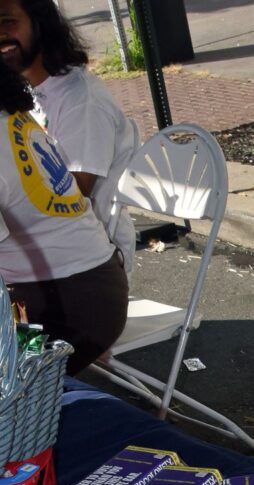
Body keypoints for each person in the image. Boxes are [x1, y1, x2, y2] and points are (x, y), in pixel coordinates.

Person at [0, 59, 128, 375]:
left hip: (58, 314)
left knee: (13, 372)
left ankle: (33, 404)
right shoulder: (10, 115)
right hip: (95, 292)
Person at [1, 0, 139, 273]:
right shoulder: (27, 92)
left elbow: (71, 195)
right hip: (43, 254)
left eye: (8, 22)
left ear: (39, 24)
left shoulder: (81, 100)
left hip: (91, 261)